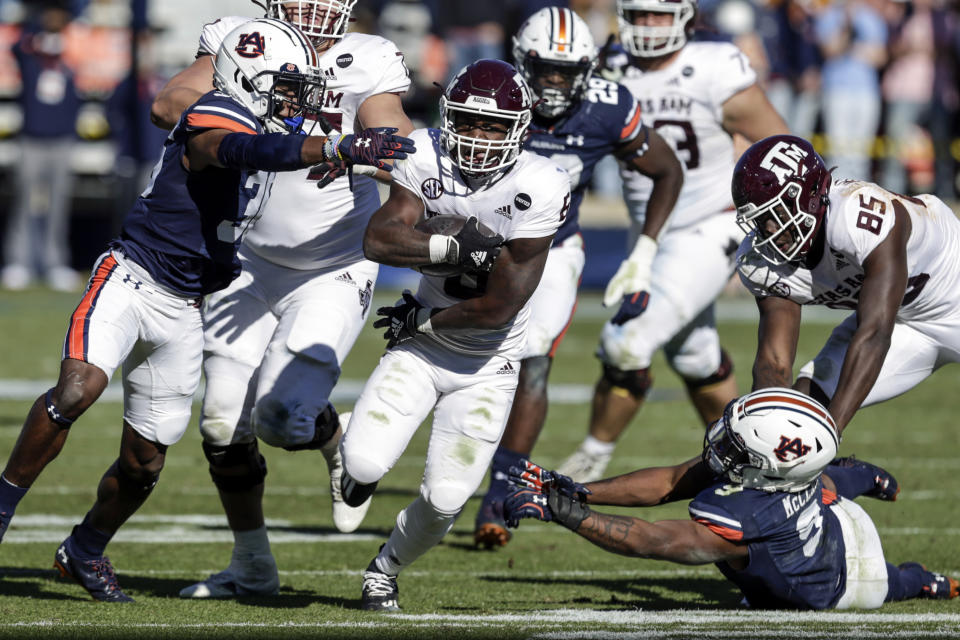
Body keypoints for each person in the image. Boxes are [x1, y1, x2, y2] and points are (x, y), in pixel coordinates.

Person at [0, 18, 412, 603]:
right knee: (77, 388)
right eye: (288, 87)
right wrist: (335, 145)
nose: (299, 100)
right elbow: (236, 146)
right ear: (249, 77)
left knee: (145, 464)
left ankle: (84, 550)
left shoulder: (273, 110)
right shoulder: (216, 114)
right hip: (134, 275)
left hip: (192, 305)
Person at [150, 1, 415, 599]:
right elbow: (168, 104)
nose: (312, 9)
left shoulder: (367, 56)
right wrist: (259, 104)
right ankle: (251, 566)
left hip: (332, 264)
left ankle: (326, 435)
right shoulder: (239, 39)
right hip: (245, 257)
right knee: (220, 420)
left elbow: (390, 125)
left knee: (278, 420)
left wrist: (366, 145)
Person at [337, 58, 571, 611]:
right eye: (467, 122)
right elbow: (379, 239)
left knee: (444, 500)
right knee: (365, 464)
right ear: (447, 117)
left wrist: (421, 318)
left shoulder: (540, 185)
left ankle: (384, 570)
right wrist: (451, 248)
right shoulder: (423, 153)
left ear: (519, 129)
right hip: (421, 348)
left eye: (492, 127)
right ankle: (348, 444)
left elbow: (500, 305)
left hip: (488, 362)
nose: (477, 137)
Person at [472, 6, 683, 549]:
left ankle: (499, 486)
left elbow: (666, 170)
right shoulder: (491, 95)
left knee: (536, 356)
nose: (554, 83)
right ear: (522, 63)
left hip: (551, 247)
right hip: (474, 244)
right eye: (544, 69)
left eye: (566, 72)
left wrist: (645, 250)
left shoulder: (606, 108)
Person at [557, 0, 790, 483]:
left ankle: (591, 455)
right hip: (648, 231)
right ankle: (755, 468)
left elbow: (780, 147)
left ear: (684, 16)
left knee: (627, 340)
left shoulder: (713, 67)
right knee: (695, 354)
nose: (647, 24)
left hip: (711, 223)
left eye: (659, 14)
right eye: (639, 14)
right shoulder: (610, 67)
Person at [504, 387, 959, 609]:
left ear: (768, 466)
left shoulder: (747, 513)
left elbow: (656, 541)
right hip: (823, 517)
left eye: (738, 446)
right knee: (828, 485)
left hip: (841, 582)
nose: (721, 445)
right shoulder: (783, 475)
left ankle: (925, 580)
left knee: (893, 581)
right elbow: (669, 481)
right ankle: (868, 478)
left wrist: (568, 514)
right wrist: (581, 489)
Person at [733, 134, 960, 437]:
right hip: (904, 322)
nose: (770, 230)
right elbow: (774, 363)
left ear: (808, 194)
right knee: (802, 415)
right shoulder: (762, 260)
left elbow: (874, 334)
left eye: (775, 214)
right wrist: (763, 428)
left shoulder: (856, 214)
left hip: (951, 292)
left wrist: (829, 434)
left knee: (821, 427)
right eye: (761, 221)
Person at [3, 1, 81, 292]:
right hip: (32, 138)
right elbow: (16, 48)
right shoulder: (30, 51)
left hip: (62, 139)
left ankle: (54, 262)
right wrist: (37, 28)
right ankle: (18, 261)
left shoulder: (72, 51)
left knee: (58, 203)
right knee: (24, 200)